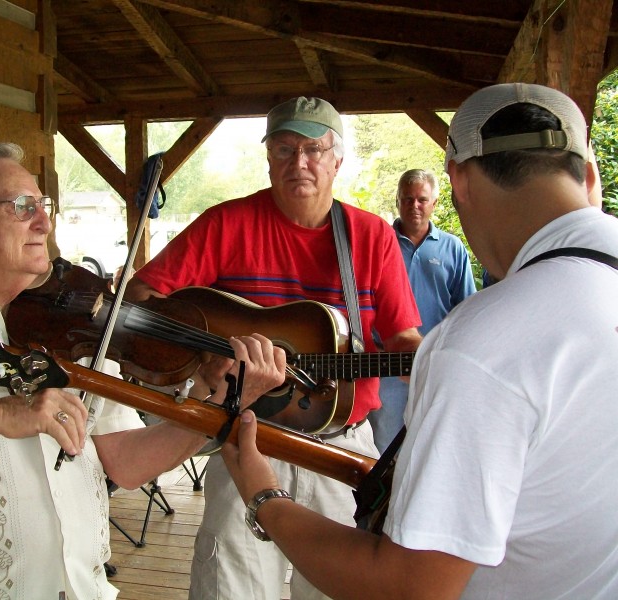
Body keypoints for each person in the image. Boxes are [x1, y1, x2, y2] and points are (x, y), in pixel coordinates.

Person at [0, 142, 285, 599]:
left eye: (44, 204)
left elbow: (124, 462)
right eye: (22, 206)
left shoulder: (74, 330)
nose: (44, 221)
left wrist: (222, 403)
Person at [220, 83, 618, 599]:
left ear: (458, 180)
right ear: (588, 174)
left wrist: (258, 488)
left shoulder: (483, 346)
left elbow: (405, 589)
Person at [125, 96, 423, 600]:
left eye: (313, 149)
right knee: (231, 588)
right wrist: (209, 358)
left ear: (337, 160)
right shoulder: (226, 224)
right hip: (245, 437)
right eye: (284, 149)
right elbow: (141, 299)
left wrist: (443, 361)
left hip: (340, 449)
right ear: (268, 158)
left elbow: (403, 341)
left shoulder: (369, 236)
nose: (298, 163)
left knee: (341, 588)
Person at [369, 169, 475, 453]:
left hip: (434, 368)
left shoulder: (453, 249)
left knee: (430, 447)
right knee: (384, 448)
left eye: (422, 200)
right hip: (385, 370)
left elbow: (465, 310)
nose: (414, 206)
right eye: (407, 199)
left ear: (435, 203)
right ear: (398, 201)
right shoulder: (378, 245)